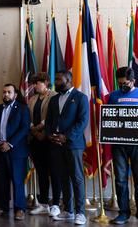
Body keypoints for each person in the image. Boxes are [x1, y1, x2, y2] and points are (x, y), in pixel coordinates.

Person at [45, 71, 89, 225]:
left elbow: (83, 121)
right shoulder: (54, 99)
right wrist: (50, 135)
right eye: (55, 79)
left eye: (58, 79)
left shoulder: (80, 97)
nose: (55, 82)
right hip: (56, 144)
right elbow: (49, 120)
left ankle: (80, 213)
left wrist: (66, 136)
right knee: (63, 177)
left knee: (77, 178)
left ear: (68, 80)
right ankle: (68, 211)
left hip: (73, 144)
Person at [0, 84, 30, 221]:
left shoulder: (23, 109)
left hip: (16, 151)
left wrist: (9, 144)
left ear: (15, 95)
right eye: (4, 92)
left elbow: (24, 129)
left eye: (9, 92)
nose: (6, 94)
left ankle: (20, 209)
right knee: (2, 180)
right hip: (0, 150)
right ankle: (2, 207)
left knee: (17, 181)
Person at [27, 72, 61, 217]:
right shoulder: (32, 99)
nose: (35, 86)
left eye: (38, 83)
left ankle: (56, 204)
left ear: (46, 82)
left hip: (50, 139)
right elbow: (27, 116)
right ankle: (43, 203)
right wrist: (34, 131)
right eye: (33, 83)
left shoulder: (54, 96)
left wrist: (40, 129)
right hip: (35, 140)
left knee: (54, 173)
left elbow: (52, 117)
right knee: (41, 173)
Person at [108, 67, 138, 225]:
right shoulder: (113, 96)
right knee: (120, 179)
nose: (122, 86)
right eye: (119, 83)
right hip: (118, 144)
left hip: (137, 144)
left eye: (125, 83)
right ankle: (123, 212)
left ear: (133, 81)